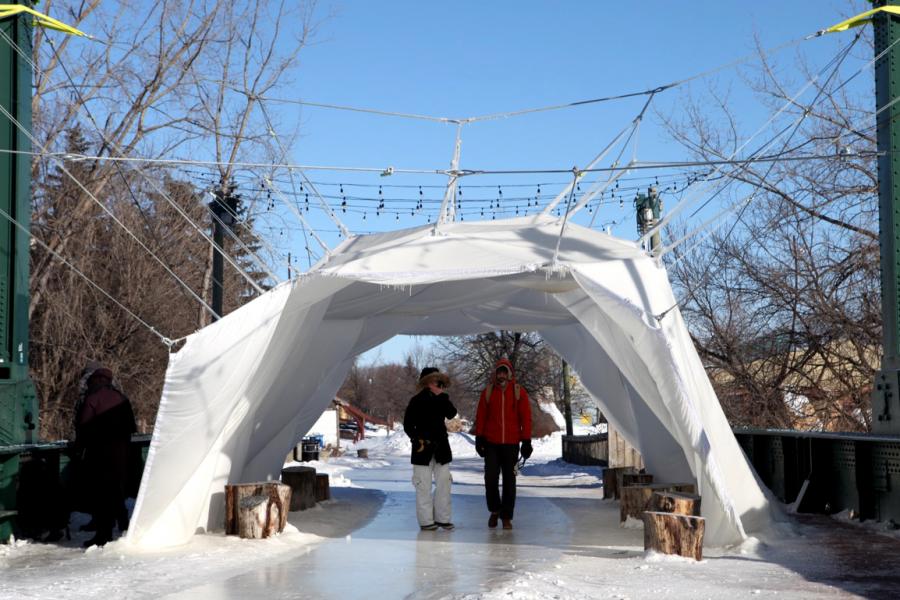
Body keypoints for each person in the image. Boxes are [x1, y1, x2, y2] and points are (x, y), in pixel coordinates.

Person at [74, 364, 137, 547]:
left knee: (101, 495)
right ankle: (123, 524)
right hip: (120, 454)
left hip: (98, 455)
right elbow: (131, 427)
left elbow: (83, 427)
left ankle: (103, 534)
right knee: (116, 490)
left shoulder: (92, 399)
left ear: (95, 381)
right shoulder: (121, 398)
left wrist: (79, 449)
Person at [474, 358, 532, 530]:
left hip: (511, 444)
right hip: (491, 443)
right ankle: (494, 510)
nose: (502, 375)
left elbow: (526, 418)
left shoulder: (519, 392)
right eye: (499, 372)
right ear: (496, 374)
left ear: (509, 374)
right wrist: (479, 438)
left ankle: (506, 516)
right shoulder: (488, 392)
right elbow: (481, 416)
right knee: (490, 479)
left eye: (504, 372)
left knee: (509, 481)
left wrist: (526, 441)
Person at [403, 367, 458, 531]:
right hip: (422, 449)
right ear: (427, 382)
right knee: (423, 486)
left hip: (441, 448)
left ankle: (443, 518)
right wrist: (417, 439)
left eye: (439, 381)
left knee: (444, 484)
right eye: (435, 381)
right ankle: (426, 521)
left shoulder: (442, 399)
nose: (438, 384)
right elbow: (407, 425)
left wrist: (442, 396)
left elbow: (451, 413)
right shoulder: (416, 401)